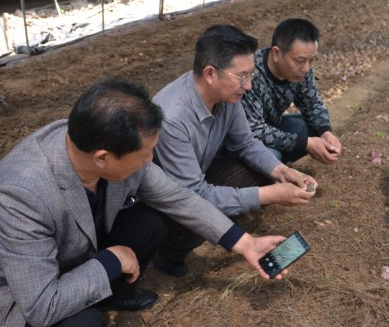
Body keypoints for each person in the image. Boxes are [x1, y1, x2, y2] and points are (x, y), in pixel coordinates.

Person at [0, 78, 288, 327]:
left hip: (79, 248)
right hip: (32, 289)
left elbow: (177, 197)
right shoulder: (22, 195)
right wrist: (112, 260)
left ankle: (115, 295)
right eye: (144, 155)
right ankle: (96, 295)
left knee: (149, 222)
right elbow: (40, 305)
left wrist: (245, 243)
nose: (150, 160)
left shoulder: (100, 140)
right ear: (102, 157)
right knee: (85, 321)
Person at [151, 25, 317, 278]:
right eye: (242, 77)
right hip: (169, 199)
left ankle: (223, 221)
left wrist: (282, 172)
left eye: (251, 75)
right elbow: (193, 195)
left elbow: (246, 143)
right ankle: (169, 254)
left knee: (266, 164)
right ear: (210, 73)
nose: (248, 86)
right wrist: (268, 195)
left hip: (199, 174)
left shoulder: (227, 95)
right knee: (203, 209)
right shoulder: (172, 117)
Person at [241, 18, 342, 164]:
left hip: (273, 127)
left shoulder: (302, 70)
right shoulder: (251, 73)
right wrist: (306, 144)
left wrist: (326, 133)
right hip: (245, 139)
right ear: (276, 53)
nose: (306, 68)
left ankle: (276, 167)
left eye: (312, 60)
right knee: (270, 156)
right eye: (299, 61)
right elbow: (253, 130)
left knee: (313, 129)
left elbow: (312, 104)